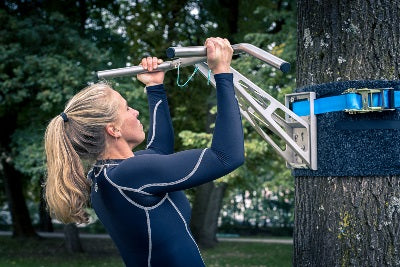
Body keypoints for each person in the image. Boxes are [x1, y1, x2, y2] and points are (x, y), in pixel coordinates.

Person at [44, 37, 244, 267]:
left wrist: (154, 87)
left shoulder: (105, 174)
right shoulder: (129, 174)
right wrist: (222, 72)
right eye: (127, 108)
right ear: (113, 129)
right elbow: (226, 156)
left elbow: (158, 150)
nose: (136, 112)